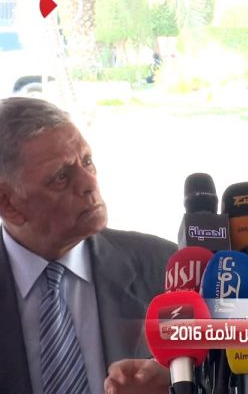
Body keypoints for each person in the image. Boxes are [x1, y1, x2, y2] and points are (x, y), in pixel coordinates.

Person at [0, 97, 175, 393]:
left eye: (87, 162)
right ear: (8, 203)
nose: (89, 183)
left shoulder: (166, 267)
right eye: (61, 177)